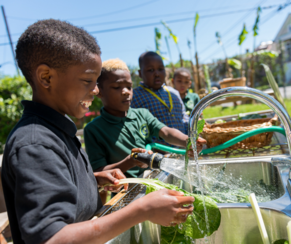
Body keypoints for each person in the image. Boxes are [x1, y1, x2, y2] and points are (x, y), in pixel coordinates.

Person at [1, 19, 194, 244]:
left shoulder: (58, 130)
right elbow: (52, 238)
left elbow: (57, 184)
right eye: (87, 81)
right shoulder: (36, 144)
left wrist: (92, 181)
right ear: (46, 77)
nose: (95, 90)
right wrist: (142, 210)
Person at [84, 58, 206, 178]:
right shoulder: (94, 130)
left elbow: (166, 132)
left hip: (153, 178)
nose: (126, 92)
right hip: (125, 190)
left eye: (129, 87)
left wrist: (188, 140)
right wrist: (130, 162)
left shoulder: (142, 114)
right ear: (99, 92)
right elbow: (99, 172)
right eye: (117, 87)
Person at [131, 51, 189, 145]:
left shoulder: (174, 92)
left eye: (160, 69)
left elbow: (184, 117)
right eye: (150, 70)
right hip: (157, 152)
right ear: (140, 73)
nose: (157, 74)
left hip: (183, 148)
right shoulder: (134, 96)